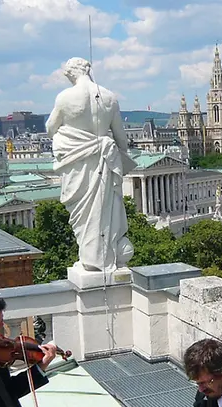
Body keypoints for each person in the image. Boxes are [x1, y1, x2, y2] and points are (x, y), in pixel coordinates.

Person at [46, 57, 135, 273]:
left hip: (77, 164)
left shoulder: (65, 97)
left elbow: (51, 128)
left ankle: (91, 258)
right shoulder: (109, 97)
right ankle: (105, 256)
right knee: (105, 212)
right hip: (105, 161)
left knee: (84, 217)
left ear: (71, 73)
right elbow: (121, 139)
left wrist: (73, 137)